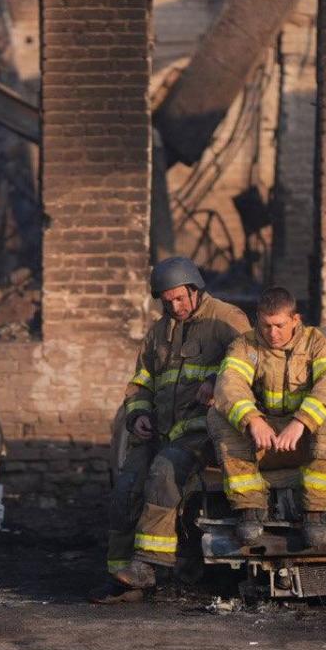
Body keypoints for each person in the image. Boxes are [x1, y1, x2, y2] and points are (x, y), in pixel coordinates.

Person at [89, 257, 250, 603]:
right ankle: (121, 578)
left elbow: (252, 362)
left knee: (163, 473)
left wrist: (217, 380)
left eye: (179, 298)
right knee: (127, 486)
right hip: (160, 433)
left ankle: (147, 566)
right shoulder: (157, 333)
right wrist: (138, 415)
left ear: (195, 289)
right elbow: (140, 382)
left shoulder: (227, 319)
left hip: (202, 433)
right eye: (167, 301)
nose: (175, 307)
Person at [207, 286, 326, 548]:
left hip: (303, 441)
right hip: (263, 443)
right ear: (257, 319)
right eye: (266, 325)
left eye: (279, 325)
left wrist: (301, 422)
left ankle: (315, 512)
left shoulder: (316, 342)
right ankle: (249, 508)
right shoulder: (245, 345)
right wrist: (253, 420)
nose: (272, 333)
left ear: (295, 319)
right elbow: (230, 383)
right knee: (218, 415)